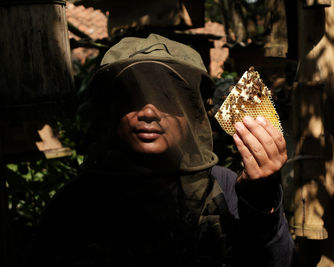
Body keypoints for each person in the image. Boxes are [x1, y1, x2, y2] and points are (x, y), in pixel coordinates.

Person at [31, 34, 298, 266]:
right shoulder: (77, 201)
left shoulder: (227, 188)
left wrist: (261, 204)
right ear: (111, 110)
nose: (149, 111)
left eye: (167, 97)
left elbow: (278, 260)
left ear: (193, 113)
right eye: (133, 96)